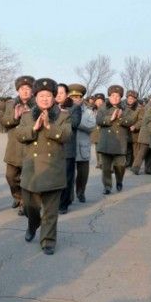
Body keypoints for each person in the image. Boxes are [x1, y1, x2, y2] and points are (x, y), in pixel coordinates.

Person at [16, 78, 72, 255]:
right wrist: (34, 127)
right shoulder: (26, 115)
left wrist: (49, 126)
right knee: (30, 208)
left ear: (54, 97)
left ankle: (48, 240)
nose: (45, 99)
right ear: (36, 96)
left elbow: (66, 135)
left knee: (50, 211)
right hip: (31, 170)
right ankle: (33, 225)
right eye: (41, 95)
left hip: (52, 170)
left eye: (49, 95)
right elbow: (19, 135)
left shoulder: (63, 116)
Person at [0, 75, 35, 215]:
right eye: (22, 89)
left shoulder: (37, 105)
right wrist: (15, 117)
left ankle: (24, 204)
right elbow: (4, 122)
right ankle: (17, 196)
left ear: (32, 91)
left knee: (27, 179)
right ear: (18, 90)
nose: (25, 91)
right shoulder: (11, 104)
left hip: (29, 146)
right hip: (14, 147)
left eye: (28, 88)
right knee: (10, 176)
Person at [96, 85, 134, 194]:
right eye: (113, 95)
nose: (115, 98)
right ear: (109, 96)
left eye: (118, 96)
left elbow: (130, 121)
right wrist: (110, 118)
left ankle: (119, 181)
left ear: (121, 97)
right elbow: (98, 120)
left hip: (120, 142)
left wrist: (121, 118)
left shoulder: (125, 108)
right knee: (106, 167)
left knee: (120, 165)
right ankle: (107, 186)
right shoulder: (103, 107)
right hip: (106, 141)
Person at [69, 84, 96, 203]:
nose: (75, 99)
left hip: (83, 147)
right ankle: (68, 197)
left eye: (78, 97)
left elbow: (91, 126)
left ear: (81, 98)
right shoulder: (65, 110)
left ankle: (81, 192)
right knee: (68, 174)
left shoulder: (88, 112)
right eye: (73, 97)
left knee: (82, 174)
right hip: (68, 146)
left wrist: (76, 123)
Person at [57, 83, 80, 214]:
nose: (58, 96)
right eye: (57, 93)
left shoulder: (74, 108)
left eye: (61, 93)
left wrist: (62, 115)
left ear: (67, 94)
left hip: (67, 147)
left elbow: (75, 124)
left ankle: (63, 203)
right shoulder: (50, 107)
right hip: (52, 147)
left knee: (67, 177)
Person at [130, 94, 151, 175]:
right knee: (143, 151)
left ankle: (148, 169)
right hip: (147, 133)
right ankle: (135, 167)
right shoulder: (149, 107)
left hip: (149, 133)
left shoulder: (148, 106)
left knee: (149, 152)